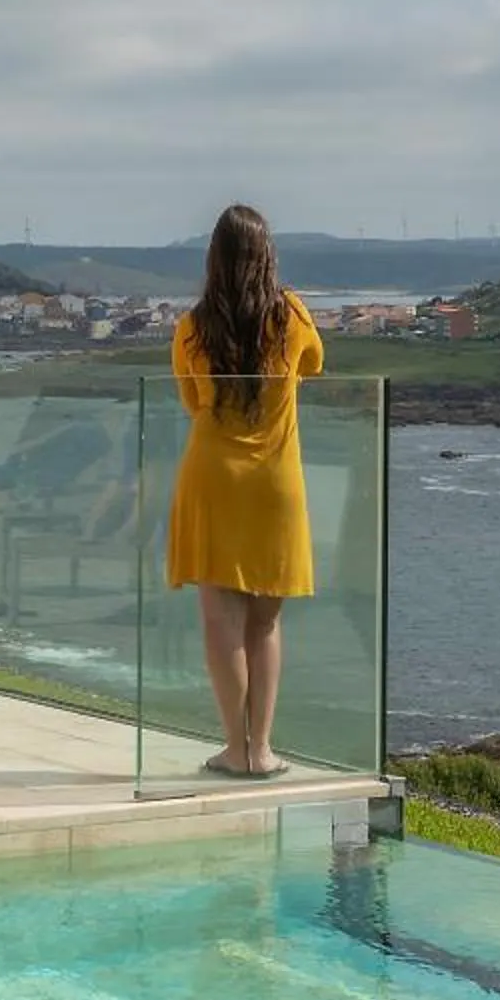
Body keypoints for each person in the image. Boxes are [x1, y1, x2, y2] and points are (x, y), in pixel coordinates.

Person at [168, 204, 324, 779]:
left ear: (213, 259)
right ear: (268, 257)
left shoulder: (192, 328)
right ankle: (262, 749)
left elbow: (192, 402)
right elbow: (314, 365)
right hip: (275, 482)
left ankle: (234, 747)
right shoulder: (294, 318)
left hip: (212, 477)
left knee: (221, 621)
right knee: (265, 621)